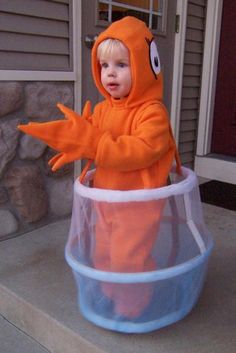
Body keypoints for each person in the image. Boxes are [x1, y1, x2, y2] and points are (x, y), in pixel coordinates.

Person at [18, 16, 181, 319]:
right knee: (103, 250)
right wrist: (74, 137)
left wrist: (96, 145)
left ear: (145, 67)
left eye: (122, 64)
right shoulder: (105, 108)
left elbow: (143, 151)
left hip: (139, 202)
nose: (110, 73)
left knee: (128, 257)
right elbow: (88, 135)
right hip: (106, 198)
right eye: (104, 66)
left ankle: (133, 306)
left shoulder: (152, 113)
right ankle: (112, 293)